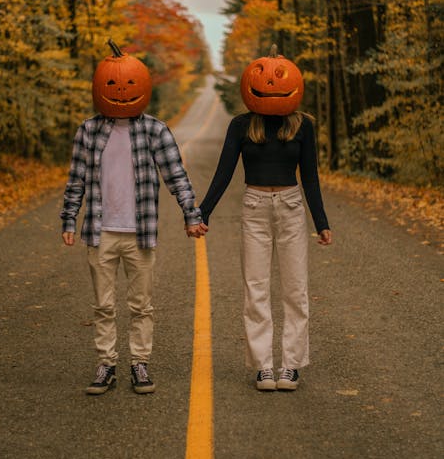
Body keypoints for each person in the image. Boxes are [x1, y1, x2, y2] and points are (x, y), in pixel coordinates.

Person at [61, 41, 205, 396]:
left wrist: (191, 214)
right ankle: (106, 364)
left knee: (141, 305)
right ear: (101, 87)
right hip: (100, 231)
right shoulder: (88, 131)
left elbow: (176, 175)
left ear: (143, 86)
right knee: (103, 304)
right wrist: (69, 219)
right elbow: (76, 179)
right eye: (112, 84)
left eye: (128, 84)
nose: (121, 90)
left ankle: (139, 362)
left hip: (140, 232)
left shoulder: (155, 131)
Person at [197, 49, 332, 391]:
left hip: (290, 207)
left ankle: (291, 364)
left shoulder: (303, 125)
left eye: (280, 78)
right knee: (256, 289)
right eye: (264, 78)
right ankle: (263, 366)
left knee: (295, 289)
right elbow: (224, 172)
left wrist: (321, 221)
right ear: (251, 85)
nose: (271, 84)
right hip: (255, 208)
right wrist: (202, 213)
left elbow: (311, 177)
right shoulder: (241, 125)